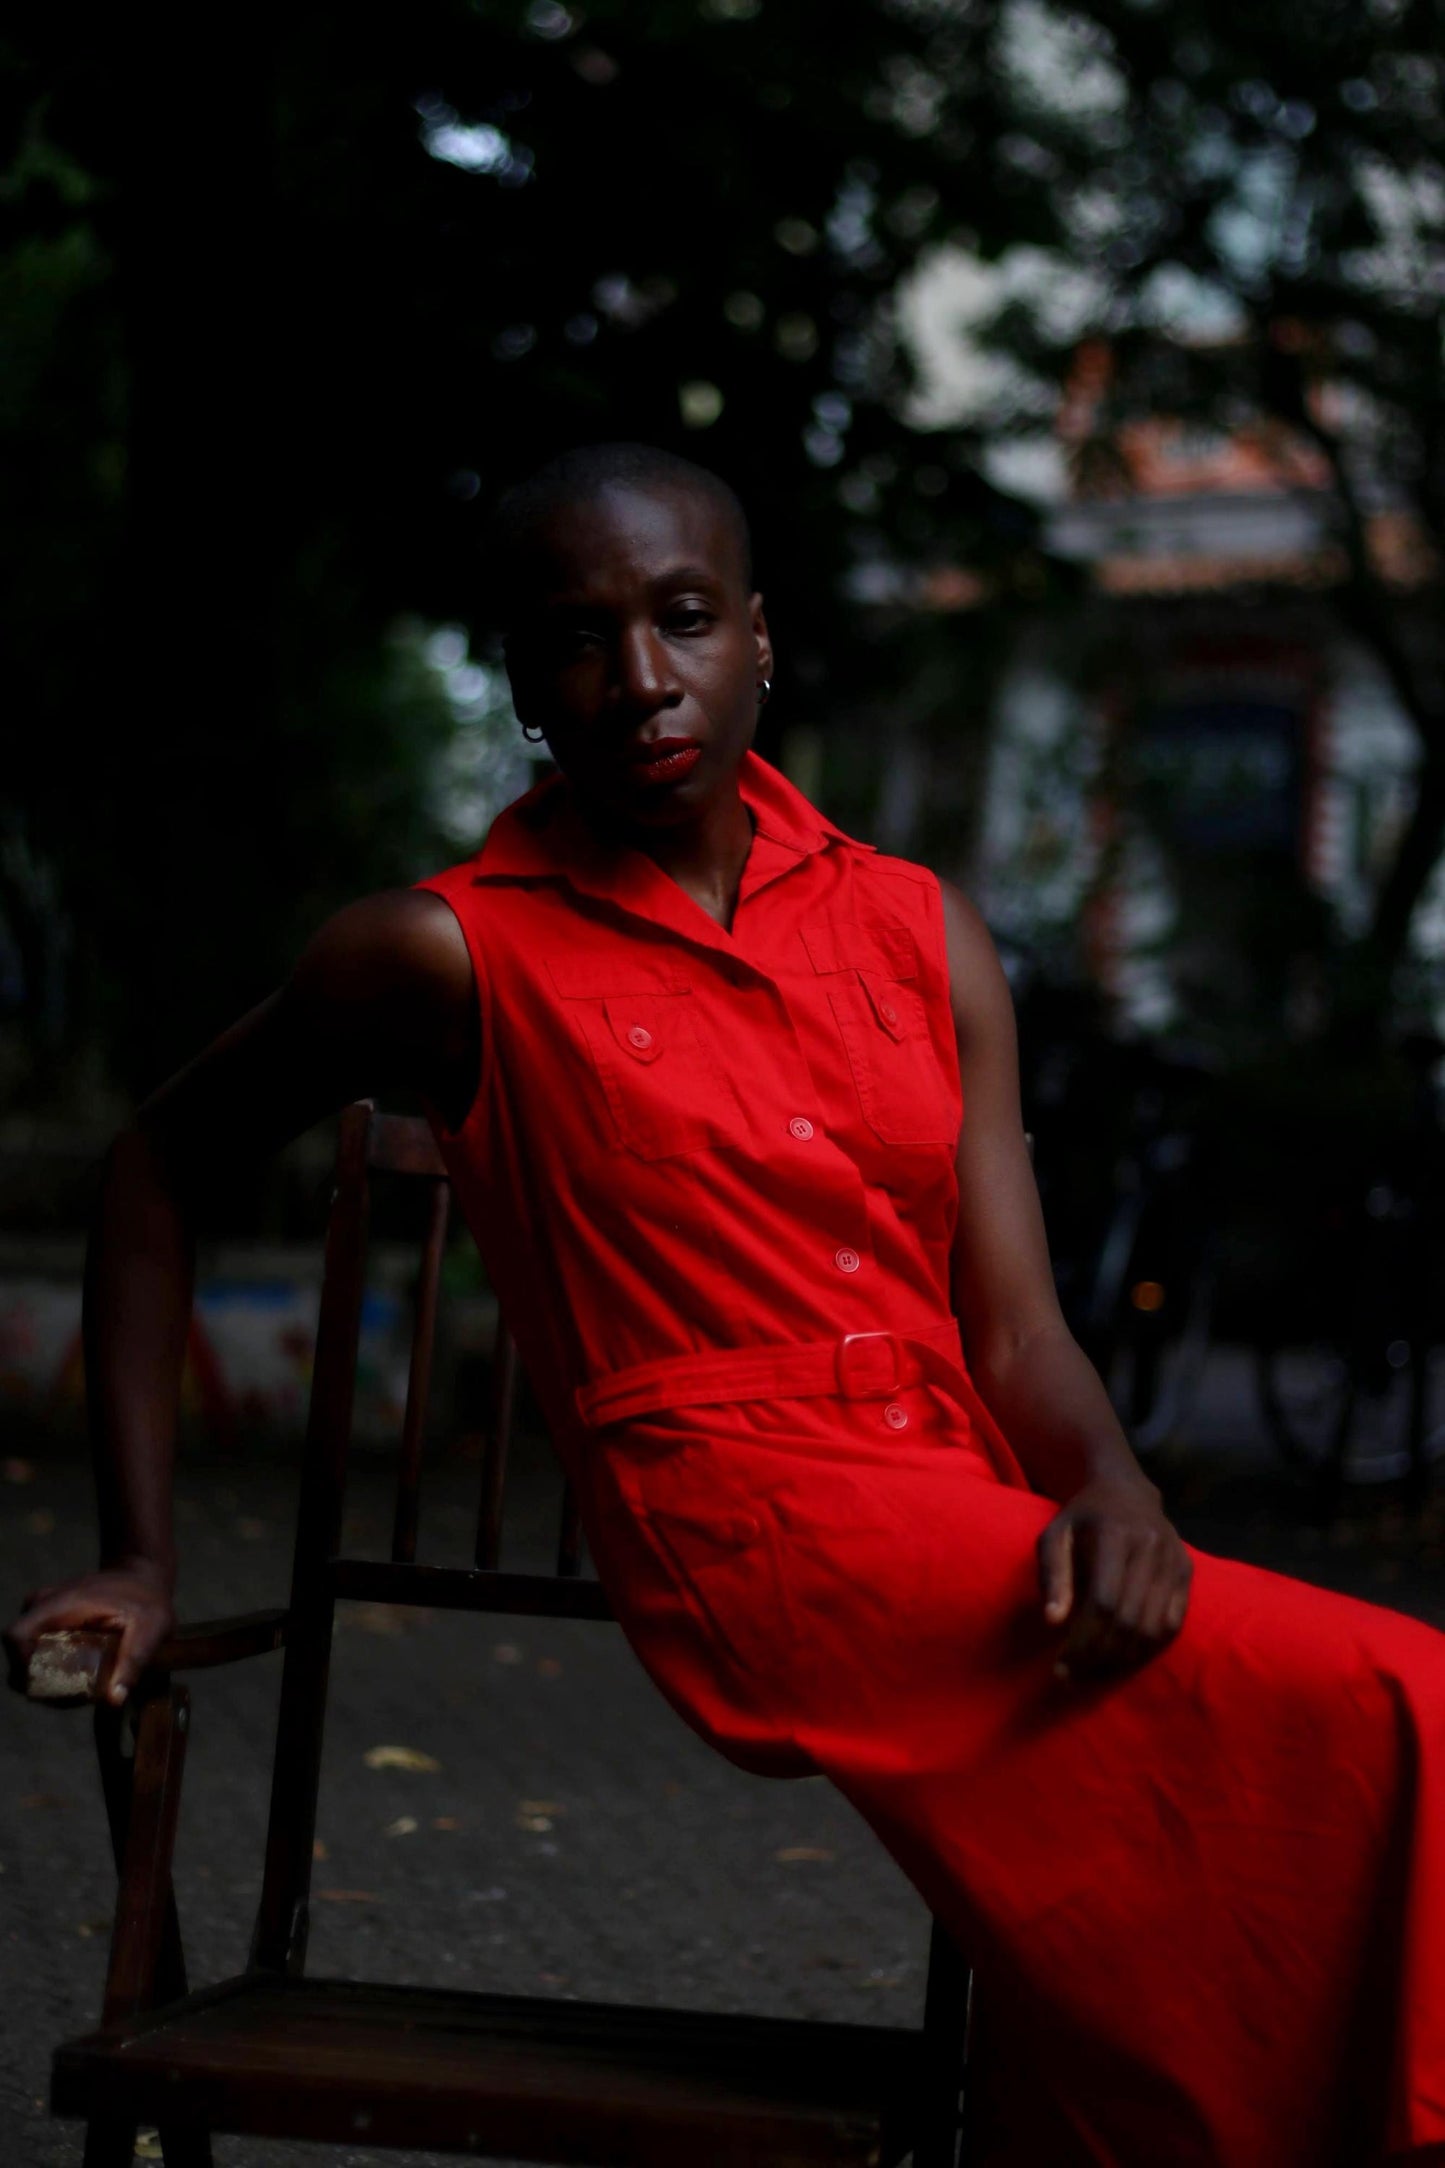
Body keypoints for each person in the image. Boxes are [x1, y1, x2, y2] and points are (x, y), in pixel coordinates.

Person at [8, 441, 1445, 2166]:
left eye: (681, 618)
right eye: (574, 639)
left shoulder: (920, 928)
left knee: (1202, 1874)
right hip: (744, 1515)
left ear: (757, 634)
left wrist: (1114, 1489)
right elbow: (153, 1171)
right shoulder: (445, 952)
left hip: (957, 1485)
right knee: (1399, 1700)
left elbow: (1015, 1334)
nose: (637, 681)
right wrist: (146, 1555)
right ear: (522, 682)